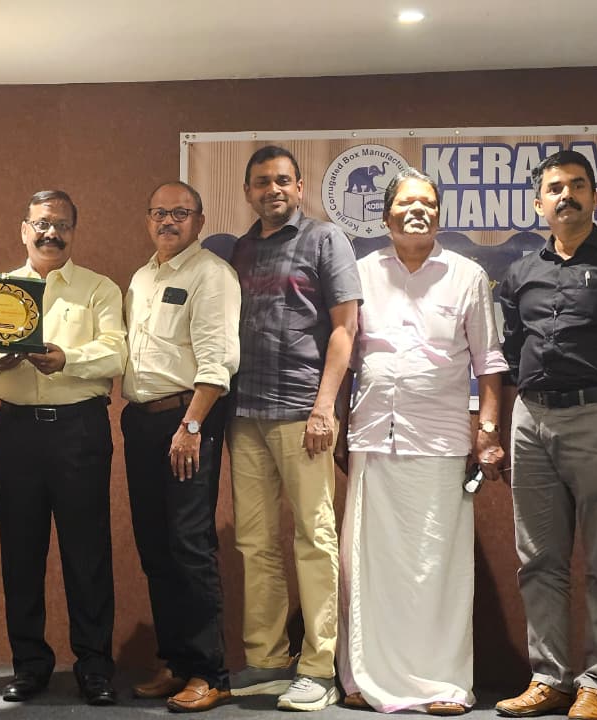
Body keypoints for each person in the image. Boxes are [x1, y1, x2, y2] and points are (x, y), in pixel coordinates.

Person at [495, 150, 597, 720]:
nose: (566, 195)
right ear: (538, 203)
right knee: (538, 558)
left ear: (594, 196)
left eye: (577, 185)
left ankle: (595, 682)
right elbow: (511, 352)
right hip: (531, 420)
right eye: (555, 187)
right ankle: (549, 677)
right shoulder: (520, 272)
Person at [338, 168, 507, 715]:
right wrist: (335, 423)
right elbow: (345, 356)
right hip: (371, 438)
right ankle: (362, 677)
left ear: (439, 213)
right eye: (407, 203)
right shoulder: (360, 274)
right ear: (385, 214)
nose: (418, 211)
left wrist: (487, 432)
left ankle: (442, 683)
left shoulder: (467, 275)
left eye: (428, 203)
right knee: (366, 566)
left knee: (437, 568)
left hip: (440, 442)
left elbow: (489, 362)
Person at [0, 190, 126, 706]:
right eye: (42, 224)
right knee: (20, 552)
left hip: (80, 432)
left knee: (87, 553)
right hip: (15, 434)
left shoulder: (99, 288)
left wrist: (66, 359)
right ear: (24, 229)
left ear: (74, 230)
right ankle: (29, 665)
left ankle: (94, 668)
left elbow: (116, 353)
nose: (51, 233)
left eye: (62, 225)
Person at [227, 145, 361, 712]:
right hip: (245, 415)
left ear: (300, 187)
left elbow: (345, 330)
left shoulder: (326, 240)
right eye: (262, 182)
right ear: (248, 192)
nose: (272, 190)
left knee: (314, 538)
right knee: (255, 541)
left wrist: (325, 406)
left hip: (304, 414)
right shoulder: (240, 250)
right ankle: (267, 659)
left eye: (282, 180)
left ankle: (317, 668)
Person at [121, 182, 240, 713]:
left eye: (180, 213)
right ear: (148, 219)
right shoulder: (142, 277)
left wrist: (191, 425)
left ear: (199, 220)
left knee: (190, 545)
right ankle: (175, 661)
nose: (168, 221)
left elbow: (218, 359)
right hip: (142, 423)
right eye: (159, 212)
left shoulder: (212, 274)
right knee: (155, 547)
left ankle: (209, 672)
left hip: (188, 421)